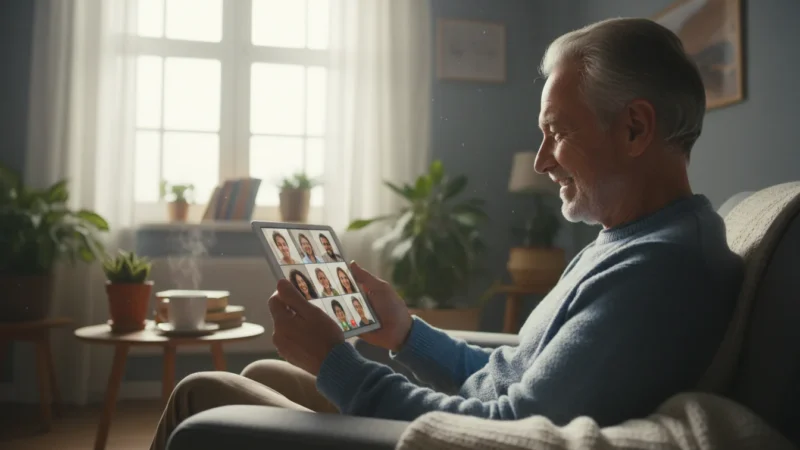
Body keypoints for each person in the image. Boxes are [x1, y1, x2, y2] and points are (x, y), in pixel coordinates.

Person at [150, 18, 745, 449]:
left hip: (461, 440)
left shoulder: (661, 271)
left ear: (636, 127)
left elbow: (510, 426)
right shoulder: (630, 242)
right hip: (470, 417)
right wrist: (405, 332)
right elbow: (511, 378)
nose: (541, 161)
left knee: (203, 394)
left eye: (556, 132)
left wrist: (336, 361)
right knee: (260, 376)